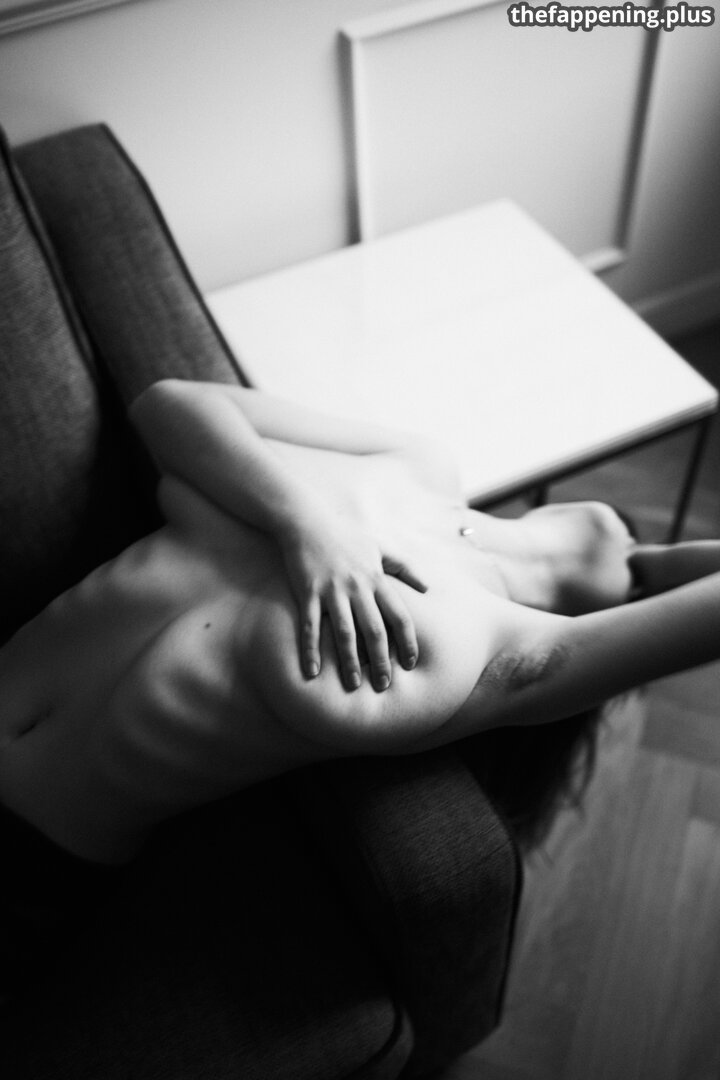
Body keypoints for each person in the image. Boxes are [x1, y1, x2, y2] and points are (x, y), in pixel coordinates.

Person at [1, 378, 719, 866]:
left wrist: (651, 574)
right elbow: (169, 404)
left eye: (642, 565)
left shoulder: (509, 652)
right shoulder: (417, 463)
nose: (629, 538)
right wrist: (308, 526)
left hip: (35, 852)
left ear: (630, 607)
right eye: (635, 532)